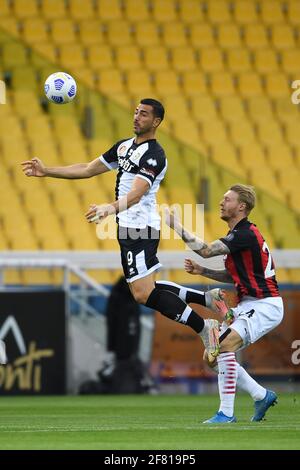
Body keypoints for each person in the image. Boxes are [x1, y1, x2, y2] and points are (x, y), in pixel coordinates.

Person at [21, 98, 221, 360]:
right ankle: (209, 299)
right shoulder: (124, 147)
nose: (137, 117)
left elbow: (138, 193)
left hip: (140, 228)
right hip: (128, 228)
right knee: (147, 289)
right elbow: (87, 169)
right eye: (136, 112)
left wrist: (110, 208)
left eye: (144, 114)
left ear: (156, 122)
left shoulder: (155, 155)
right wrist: (47, 171)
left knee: (141, 294)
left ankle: (205, 327)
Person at [165, 184, 284, 423]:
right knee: (211, 357)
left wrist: (176, 225)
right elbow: (235, 276)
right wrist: (202, 271)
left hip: (265, 304)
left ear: (242, 207)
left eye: (227, 199)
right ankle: (261, 395)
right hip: (250, 304)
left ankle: (226, 413)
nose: (221, 202)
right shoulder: (240, 237)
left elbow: (207, 250)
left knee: (223, 347)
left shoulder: (244, 233)